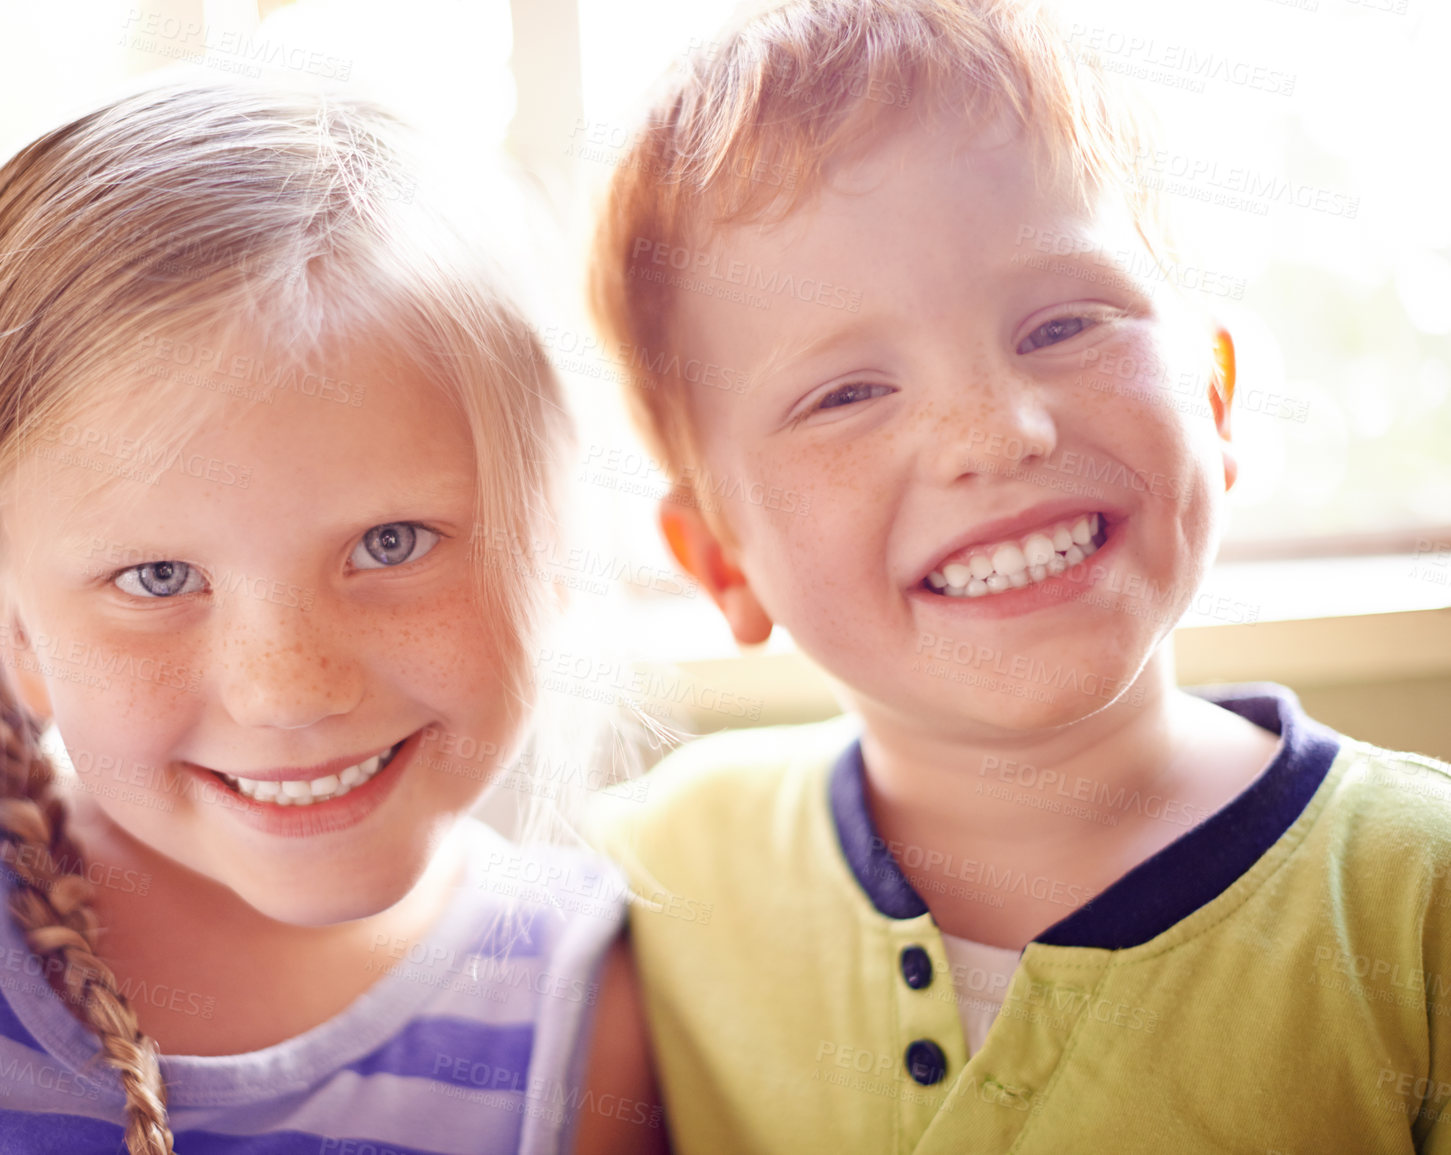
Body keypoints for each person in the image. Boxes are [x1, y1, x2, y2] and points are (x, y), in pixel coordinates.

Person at [0, 84, 663, 1155]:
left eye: (391, 543)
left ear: (556, 553)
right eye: (160, 576)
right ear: (11, 622)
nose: (290, 689)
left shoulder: (578, 1029)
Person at [585, 1, 1451, 1151]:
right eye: (847, 393)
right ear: (721, 561)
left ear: (1216, 396)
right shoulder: (645, 878)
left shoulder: (1418, 903)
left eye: (1061, 325)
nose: (996, 433)